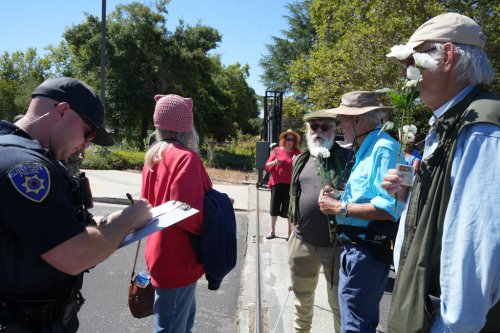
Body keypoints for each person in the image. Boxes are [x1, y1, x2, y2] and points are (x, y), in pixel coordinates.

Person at [0, 77, 152, 332]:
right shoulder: (27, 168)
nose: (87, 144)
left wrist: (105, 224)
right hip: (23, 322)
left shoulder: (18, 151)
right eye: (88, 132)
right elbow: (74, 255)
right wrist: (128, 220)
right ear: (61, 111)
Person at [381, 13, 500, 333]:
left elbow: (476, 253)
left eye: (412, 62)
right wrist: (409, 200)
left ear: (446, 57)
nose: (407, 74)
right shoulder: (454, 122)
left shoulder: (480, 129)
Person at [319, 91, 403, 333]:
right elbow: (366, 194)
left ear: (358, 120)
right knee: (354, 320)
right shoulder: (366, 147)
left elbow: (390, 208)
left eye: (342, 119)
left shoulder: (383, 148)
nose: (339, 125)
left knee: (356, 324)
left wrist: (338, 207)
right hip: (354, 250)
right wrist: (337, 194)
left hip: (366, 252)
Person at [142, 94, 213, 333]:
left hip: (158, 251)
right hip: (179, 256)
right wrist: (214, 215)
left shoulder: (153, 156)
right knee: (172, 327)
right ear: (187, 127)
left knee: (178, 322)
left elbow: (148, 202)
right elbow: (188, 214)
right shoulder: (187, 158)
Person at [287, 109, 349, 333]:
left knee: (338, 305)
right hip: (302, 242)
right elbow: (294, 197)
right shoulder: (301, 159)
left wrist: (339, 196)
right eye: (314, 127)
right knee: (301, 302)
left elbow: (358, 197)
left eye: (325, 127)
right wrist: (293, 230)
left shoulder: (348, 159)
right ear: (307, 130)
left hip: (335, 247)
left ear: (335, 129)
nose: (319, 131)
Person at [264, 129, 301, 240]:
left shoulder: (297, 153)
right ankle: (272, 231)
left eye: (292, 139)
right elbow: (267, 166)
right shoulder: (277, 150)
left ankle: (289, 233)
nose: (290, 141)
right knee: (274, 208)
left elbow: (302, 167)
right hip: (277, 183)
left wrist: (296, 161)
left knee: (288, 211)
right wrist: (275, 162)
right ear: (284, 140)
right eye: (288, 139)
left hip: (290, 185)